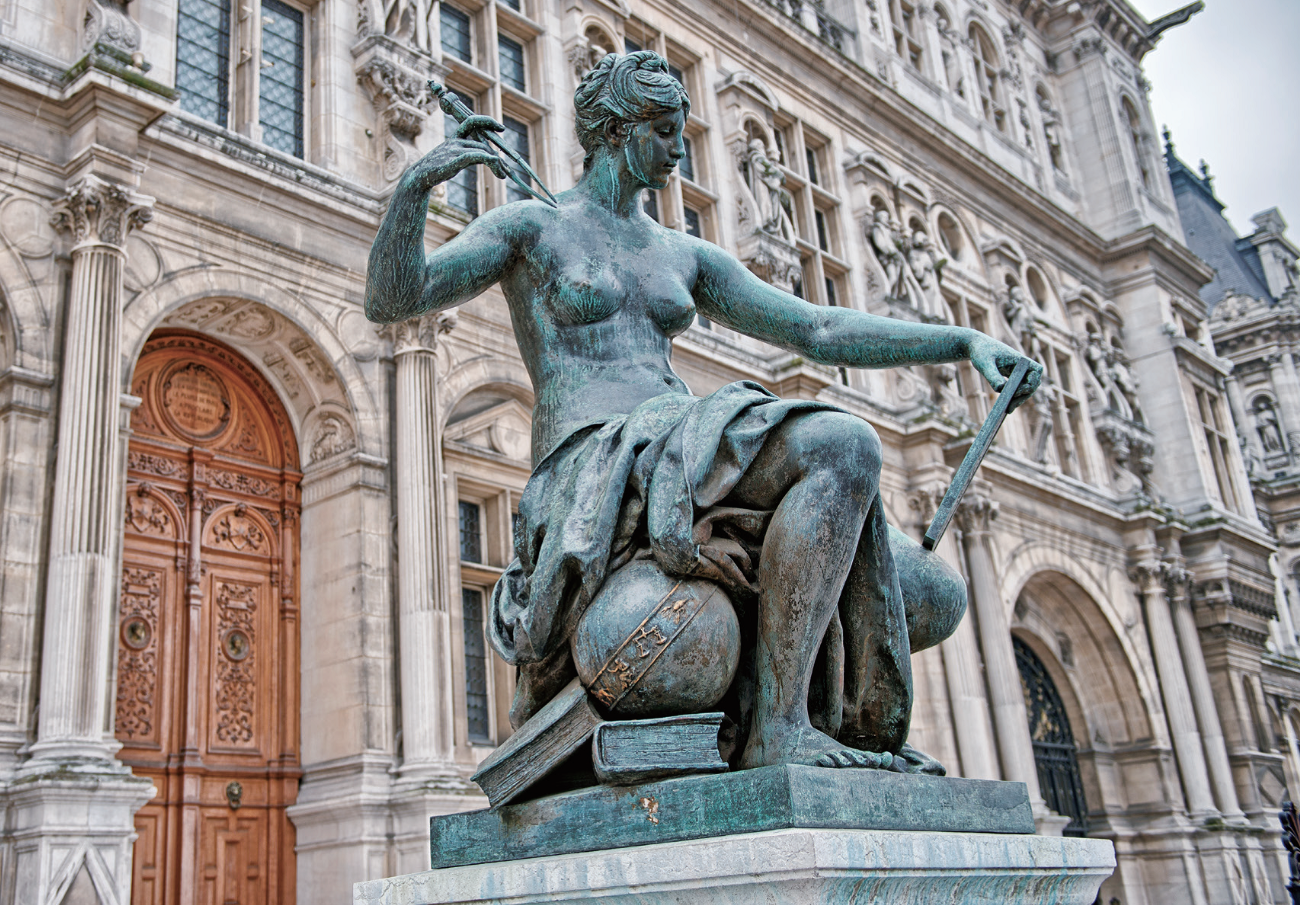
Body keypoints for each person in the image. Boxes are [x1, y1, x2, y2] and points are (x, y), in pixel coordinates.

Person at [365, 51, 1041, 771]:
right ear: (616, 131)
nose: (678, 150)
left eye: (680, 132)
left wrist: (960, 342)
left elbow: (816, 329)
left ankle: (797, 706)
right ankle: (780, 728)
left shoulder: (681, 253)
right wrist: (415, 187)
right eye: (663, 131)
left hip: (682, 443)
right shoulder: (533, 226)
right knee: (843, 443)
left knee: (930, 594)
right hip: (596, 454)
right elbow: (395, 298)